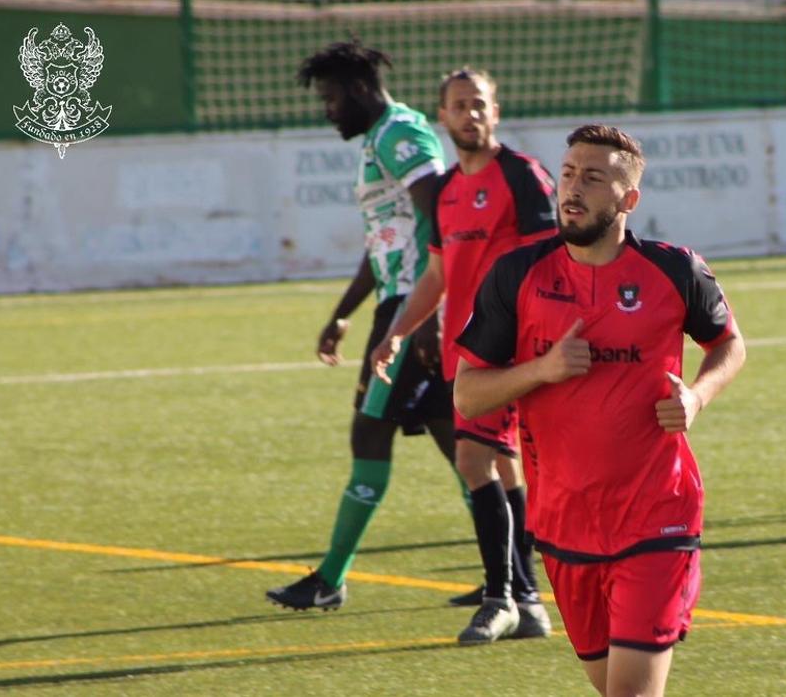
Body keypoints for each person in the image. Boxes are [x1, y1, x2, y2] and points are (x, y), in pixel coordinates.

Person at [453, 124, 746, 696]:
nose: (573, 188)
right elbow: (467, 395)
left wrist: (696, 396)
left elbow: (729, 344)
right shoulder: (517, 275)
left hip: (658, 514)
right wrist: (542, 369)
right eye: (568, 174)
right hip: (564, 523)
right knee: (607, 682)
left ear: (628, 198)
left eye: (593, 177)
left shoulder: (675, 270)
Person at [266, 39, 460, 610]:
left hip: (411, 307)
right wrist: (341, 314)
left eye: (329, 97)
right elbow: (386, 240)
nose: (326, 109)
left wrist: (427, 312)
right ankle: (510, 573)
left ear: (356, 90)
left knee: (369, 432)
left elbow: (439, 210)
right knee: (459, 442)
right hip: (406, 302)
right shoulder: (381, 140)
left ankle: (330, 578)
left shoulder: (401, 134)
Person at [370, 67, 558, 643]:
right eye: (459, 105)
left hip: (507, 352)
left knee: (473, 462)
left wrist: (526, 337)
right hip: (462, 354)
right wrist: (398, 331)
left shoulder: (523, 176)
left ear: (495, 113)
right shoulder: (448, 191)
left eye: (480, 104)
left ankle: (499, 599)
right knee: (502, 467)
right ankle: (527, 601)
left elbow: (548, 263)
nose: (470, 114)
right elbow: (436, 273)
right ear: (443, 117)